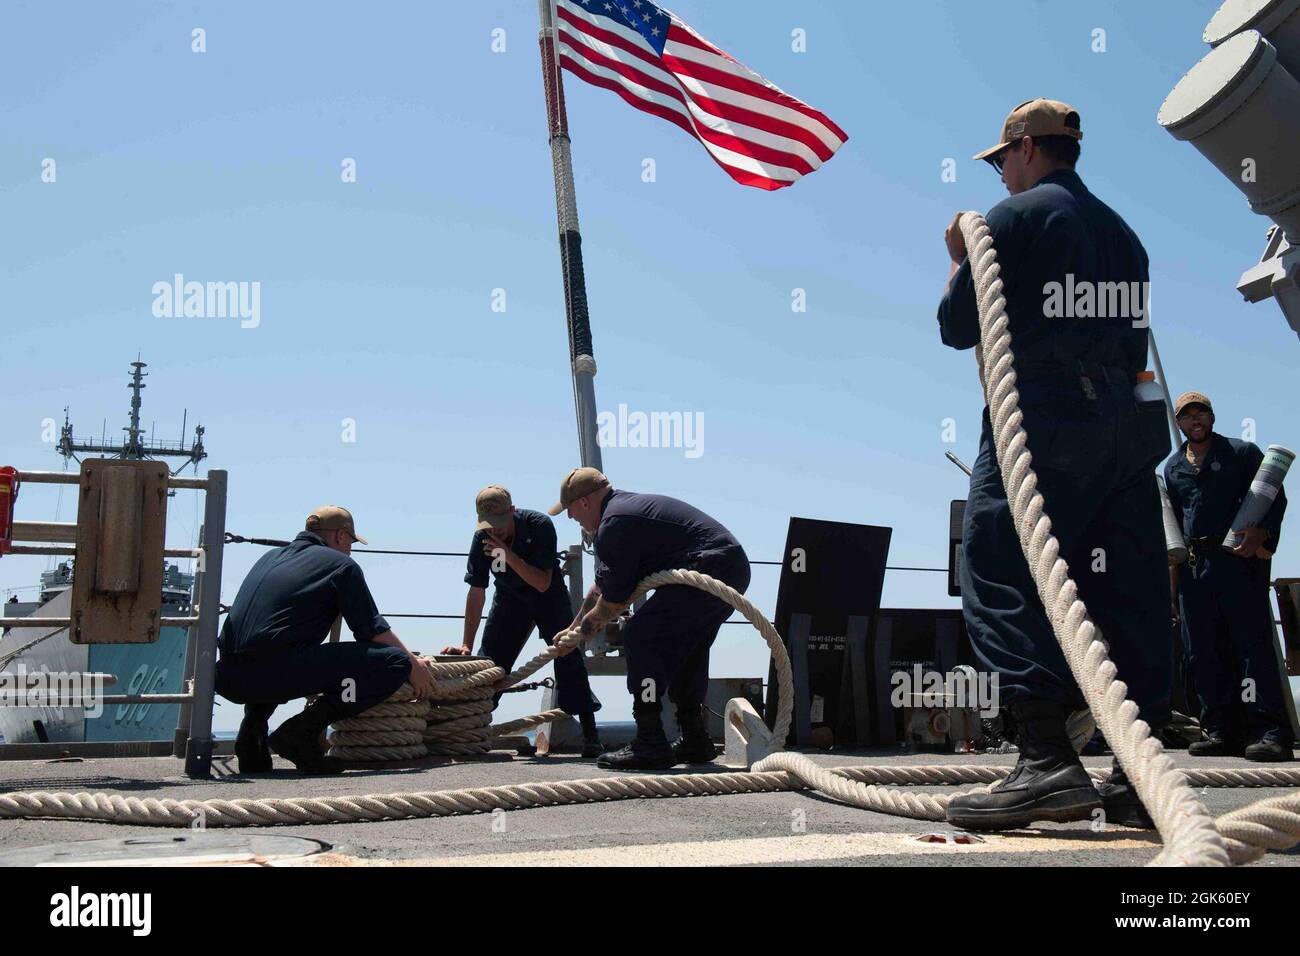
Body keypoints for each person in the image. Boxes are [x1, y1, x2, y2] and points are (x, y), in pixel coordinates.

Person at [937, 99, 1172, 829]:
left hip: (1042, 414)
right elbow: (1136, 347)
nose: (1001, 173)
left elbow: (954, 329)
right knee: (1124, 592)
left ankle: (1045, 760)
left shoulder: (1009, 220)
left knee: (1001, 561)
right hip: (1129, 425)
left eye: (1001, 159)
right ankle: (1140, 775)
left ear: (1028, 150)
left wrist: (958, 257)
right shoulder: (1126, 237)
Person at [551, 467, 750, 771]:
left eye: (571, 510)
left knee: (640, 636)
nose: (570, 518)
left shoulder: (613, 525)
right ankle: (694, 736)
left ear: (587, 501)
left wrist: (581, 635)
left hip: (708, 565)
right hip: (730, 564)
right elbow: (601, 588)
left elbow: (613, 603)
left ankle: (650, 739)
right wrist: (572, 628)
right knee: (689, 644)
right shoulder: (622, 513)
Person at [216, 506, 435, 774]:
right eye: (351, 543)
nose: (351, 550)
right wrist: (414, 666)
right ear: (340, 537)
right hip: (272, 674)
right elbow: (371, 632)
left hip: (226, 677)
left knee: (277, 643)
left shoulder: (269, 558)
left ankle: (252, 736)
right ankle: (301, 732)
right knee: (394, 663)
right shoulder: (341, 565)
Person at [1164, 391, 1293, 761]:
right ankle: (1220, 729)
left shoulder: (1241, 453)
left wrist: (1262, 533)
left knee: (1251, 647)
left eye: (1201, 412)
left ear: (1212, 416)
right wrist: (1173, 589)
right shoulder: (1173, 468)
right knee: (1202, 650)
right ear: (1179, 423)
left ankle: (1271, 732)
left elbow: (1274, 499)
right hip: (1194, 568)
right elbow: (1172, 525)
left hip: (1236, 561)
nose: (1195, 420)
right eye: (1187, 416)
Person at [443, 484, 602, 757]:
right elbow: (476, 591)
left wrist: (508, 556)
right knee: (490, 666)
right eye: (488, 525)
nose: (495, 531)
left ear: (513, 512)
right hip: (509, 600)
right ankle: (469, 731)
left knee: (568, 659)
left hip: (547, 597)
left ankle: (590, 736)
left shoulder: (539, 525)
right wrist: (466, 644)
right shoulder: (482, 538)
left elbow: (542, 583)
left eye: (500, 524)